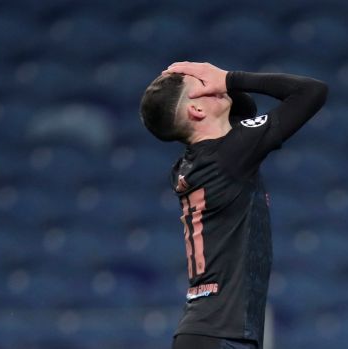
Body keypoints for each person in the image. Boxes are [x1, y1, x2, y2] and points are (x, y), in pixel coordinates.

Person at [140, 62, 328, 349]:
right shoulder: (230, 154)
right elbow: (312, 92)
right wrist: (229, 78)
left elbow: (245, 109)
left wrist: (210, 81)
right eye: (201, 88)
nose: (211, 85)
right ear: (196, 111)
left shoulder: (192, 163)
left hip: (209, 332)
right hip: (222, 336)